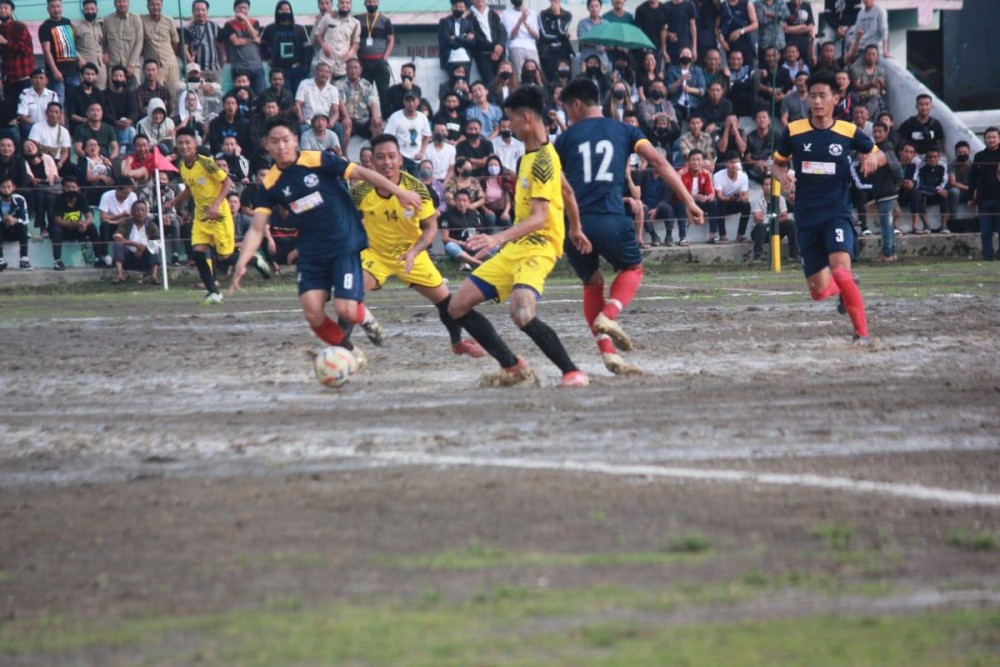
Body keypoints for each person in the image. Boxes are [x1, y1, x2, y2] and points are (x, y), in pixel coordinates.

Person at [229, 118, 423, 365]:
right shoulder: (270, 183)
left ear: (295, 141)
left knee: (346, 310)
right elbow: (257, 228)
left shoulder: (317, 159)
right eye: (275, 142)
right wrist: (243, 262)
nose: (281, 147)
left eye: (285, 140)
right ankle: (350, 353)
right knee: (312, 311)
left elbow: (361, 172)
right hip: (311, 250)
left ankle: (364, 317)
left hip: (344, 243)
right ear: (266, 145)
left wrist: (400, 192)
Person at [446, 85, 591, 388]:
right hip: (517, 246)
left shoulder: (543, 161)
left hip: (539, 247)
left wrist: (495, 239)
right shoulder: (531, 155)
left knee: (521, 312)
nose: (506, 127)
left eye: (510, 119)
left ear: (526, 119)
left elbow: (539, 219)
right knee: (457, 306)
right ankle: (511, 365)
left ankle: (572, 372)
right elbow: (566, 190)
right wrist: (576, 227)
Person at [557, 78, 701, 374]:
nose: (568, 116)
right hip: (610, 218)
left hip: (575, 225)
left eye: (567, 110)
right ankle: (610, 314)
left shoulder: (565, 138)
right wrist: (688, 200)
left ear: (576, 105)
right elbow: (660, 163)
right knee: (633, 268)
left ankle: (608, 354)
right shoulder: (625, 130)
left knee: (592, 282)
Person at [771, 70, 884, 345]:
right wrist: (781, 176)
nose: (817, 101)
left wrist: (872, 160)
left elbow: (879, 153)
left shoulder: (848, 131)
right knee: (819, 291)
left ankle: (862, 334)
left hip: (837, 214)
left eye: (823, 96)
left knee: (840, 270)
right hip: (806, 218)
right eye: (813, 96)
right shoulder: (794, 131)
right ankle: (848, 288)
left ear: (836, 98)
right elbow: (776, 163)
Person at [348, 133, 486, 357]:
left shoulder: (417, 189)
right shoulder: (361, 192)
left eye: (392, 156)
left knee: (447, 304)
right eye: (380, 157)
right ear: (371, 161)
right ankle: (343, 347)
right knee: (350, 295)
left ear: (401, 160)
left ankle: (457, 342)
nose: (387, 162)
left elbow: (431, 227)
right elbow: (345, 219)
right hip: (376, 256)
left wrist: (414, 251)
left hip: (413, 255)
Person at [164, 127, 234, 303]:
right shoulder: (182, 166)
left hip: (218, 213)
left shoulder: (206, 162)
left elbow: (227, 181)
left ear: (195, 144)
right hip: (201, 215)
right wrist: (174, 202)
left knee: (225, 258)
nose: (184, 146)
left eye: (187, 142)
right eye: (180, 143)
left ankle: (253, 258)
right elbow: (190, 188)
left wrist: (217, 204)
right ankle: (214, 292)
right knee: (198, 254)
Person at [49, 175, 102, 270]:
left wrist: (85, 224)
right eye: (68, 187)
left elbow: (89, 216)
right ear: (63, 188)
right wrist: (75, 224)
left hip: (77, 229)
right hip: (63, 230)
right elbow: (57, 220)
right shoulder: (58, 199)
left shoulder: (81, 198)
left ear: (78, 188)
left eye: (73, 187)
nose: (71, 190)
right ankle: (57, 261)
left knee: (92, 227)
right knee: (56, 230)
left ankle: (99, 258)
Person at [261, 1, 310, 94]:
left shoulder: (299, 28)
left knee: (299, 95)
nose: (284, 12)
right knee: (286, 95)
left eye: (287, 9)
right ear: (277, 11)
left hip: (297, 69)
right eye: (281, 9)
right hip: (279, 70)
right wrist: (267, 58)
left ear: (290, 11)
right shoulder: (270, 28)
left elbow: (307, 48)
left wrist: (305, 67)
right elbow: (262, 44)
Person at [0, 0, 36, 124]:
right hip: (8, 78)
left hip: (23, 76)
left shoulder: (19, 27)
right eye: (1, 8)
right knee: (11, 116)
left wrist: (5, 42)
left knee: (25, 113)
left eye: (6, 8)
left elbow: (26, 49)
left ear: (12, 10)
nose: (3, 10)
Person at [38, 0, 79, 103]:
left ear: (62, 7)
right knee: (58, 101)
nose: (56, 9)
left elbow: (71, 44)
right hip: (57, 72)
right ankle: (60, 120)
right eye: (53, 7)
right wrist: (55, 70)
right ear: (48, 9)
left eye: (58, 6)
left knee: (74, 100)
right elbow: (46, 51)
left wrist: (80, 59)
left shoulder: (67, 22)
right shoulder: (45, 27)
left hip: (73, 70)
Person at [220, 0, 265, 95]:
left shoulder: (254, 22)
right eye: (240, 7)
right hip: (239, 67)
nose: (243, 10)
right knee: (241, 95)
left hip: (257, 66)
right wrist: (253, 41)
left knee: (260, 95)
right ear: (234, 9)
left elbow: (253, 34)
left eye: (245, 8)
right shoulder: (229, 25)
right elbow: (236, 42)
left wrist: (246, 20)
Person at [749, 174, 798, 260]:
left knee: (791, 223)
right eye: (766, 184)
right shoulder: (756, 201)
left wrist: (768, 218)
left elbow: (785, 216)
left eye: (770, 184)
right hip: (760, 232)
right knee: (761, 226)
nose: (768, 187)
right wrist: (776, 218)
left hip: (775, 229)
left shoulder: (781, 199)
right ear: (762, 186)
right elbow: (758, 219)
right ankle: (758, 256)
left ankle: (794, 254)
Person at [356, 0, 394, 110]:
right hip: (363, 62)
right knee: (363, 93)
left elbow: (391, 39)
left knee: (384, 93)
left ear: (378, 3)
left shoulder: (385, 20)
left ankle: (385, 119)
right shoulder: (358, 19)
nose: (371, 4)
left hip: (379, 61)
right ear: (364, 4)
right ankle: (366, 121)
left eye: (374, 2)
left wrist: (385, 57)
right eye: (368, 2)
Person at [111, 199, 160, 283]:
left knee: (154, 248)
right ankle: (119, 275)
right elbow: (117, 237)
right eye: (137, 210)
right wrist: (135, 244)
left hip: (145, 258)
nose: (140, 213)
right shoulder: (126, 223)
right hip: (128, 257)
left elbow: (156, 243)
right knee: (118, 245)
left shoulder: (151, 225)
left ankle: (154, 276)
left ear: (146, 212)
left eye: (142, 210)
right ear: (132, 212)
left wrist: (143, 248)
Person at [970, 127, 1000, 261]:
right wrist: (971, 196)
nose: (991, 140)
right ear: (985, 139)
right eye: (989, 137)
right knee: (985, 231)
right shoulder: (979, 156)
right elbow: (973, 178)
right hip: (984, 199)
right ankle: (987, 256)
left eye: (994, 137)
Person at [440, 188, 486, 270]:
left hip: (472, 245)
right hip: (457, 247)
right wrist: (461, 243)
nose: (462, 203)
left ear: (469, 201)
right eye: (459, 200)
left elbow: (478, 233)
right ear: (455, 201)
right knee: (449, 246)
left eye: (464, 200)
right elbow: (445, 238)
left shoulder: (475, 214)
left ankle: (467, 262)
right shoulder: (447, 215)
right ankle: (477, 262)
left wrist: (473, 242)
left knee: (495, 244)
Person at [22, 139, 59, 237]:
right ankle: (42, 227)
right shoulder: (23, 161)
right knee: (40, 198)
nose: (29, 147)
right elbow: (27, 176)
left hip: (49, 187)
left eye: (31, 144)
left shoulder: (47, 158)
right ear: (24, 150)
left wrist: (51, 177)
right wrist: (32, 179)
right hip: (35, 189)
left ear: (36, 146)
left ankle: (52, 225)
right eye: (26, 146)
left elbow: (55, 173)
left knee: (50, 198)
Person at [384, 93, 431, 167]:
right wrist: (395, 153)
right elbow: (387, 137)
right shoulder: (395, 117)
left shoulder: (422, 118)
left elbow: (427, 136)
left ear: (418, 102)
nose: (411, 104)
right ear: (404, 102)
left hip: (416, 158)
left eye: (413, 101)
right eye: (408, 101)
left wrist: (421, 152)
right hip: (400, 157)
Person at [141, 0, 180, 91]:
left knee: (174, 95)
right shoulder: (141, 20)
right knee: (156, 96)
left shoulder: (169, 20)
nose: (155, 7)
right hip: (153, 67)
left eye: (158, 4)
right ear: (147, 6)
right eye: (152, 5)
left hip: (171, 64)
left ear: (162, 5)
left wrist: (169, 54)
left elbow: (175, 41)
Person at [713, 150, 751, 242]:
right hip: (723, 202)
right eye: (731, 162)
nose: (734, 165)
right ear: (726, 164)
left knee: (747, 206)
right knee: (720, 203)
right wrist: (729, 198)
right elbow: (719, 196)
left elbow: (745, 196)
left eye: (737, 162)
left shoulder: (743, 176)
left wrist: (742, 198)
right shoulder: (718, 175)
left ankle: (740, 235)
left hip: (735, 202)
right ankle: (723, 235)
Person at [104, 0, 144, 88]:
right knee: (114, 93)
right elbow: (104, 42)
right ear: (114, 3)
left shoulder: (136, 19)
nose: (122, 4)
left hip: (132, 66)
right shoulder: (107, 20)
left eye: (124, 1)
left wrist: (131, 64)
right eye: (119, 2)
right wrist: (105, 52)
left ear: (128, 2)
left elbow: (139, 43)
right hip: (113, 64)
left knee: (133, 93)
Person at [909, 144, 948, 235]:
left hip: (937, 192)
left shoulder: (942, 166)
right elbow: (919, 184)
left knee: (945, 194)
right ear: (926, 157)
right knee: (919, 194)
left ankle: (944, 225)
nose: (932, 159)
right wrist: (935, 190)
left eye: (935, 157)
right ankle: (926, 225)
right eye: (930, 157)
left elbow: (945, 181)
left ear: (939, 157)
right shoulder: (921, 166)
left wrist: (939, 190)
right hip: (926, 192)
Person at [467, 0, 506, 87]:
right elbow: (476, 39)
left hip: (499, 53)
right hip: (483, 55)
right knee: (490, 84)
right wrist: (493, 48)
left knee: (503, 82)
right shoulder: (468, 19)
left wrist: (500, 45)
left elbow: (502, 32)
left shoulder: (493, 14)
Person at [184, 0, 222, 84]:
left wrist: (223, 59)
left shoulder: (214, 26)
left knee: (217, 94)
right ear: (193, 12)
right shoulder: (188, 29)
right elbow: (184, 49)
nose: (200, 12)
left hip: (214, 70)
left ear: (207, 11)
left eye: (203, 10)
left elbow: (220, 45)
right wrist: (193, 65)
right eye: (197, 10)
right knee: (199, 94)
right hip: (197, 72)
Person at [28, 101, 72, 172]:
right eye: (51, 111)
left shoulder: (64, 131)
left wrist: (61, 162)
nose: (54, 114)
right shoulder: (37, 127)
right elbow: (33, 146)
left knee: (72, 168)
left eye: (57, 112)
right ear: (46, 112)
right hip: (40, 160)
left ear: (60, 114)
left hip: (56, 161)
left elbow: (65, 151)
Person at [17, 70, 59, 141]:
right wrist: (38, 126)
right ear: (31, 80)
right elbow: (22, 116)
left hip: (48, 126)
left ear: (46, 80)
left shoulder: (52, 95)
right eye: (35, 78)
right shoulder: (25, 94)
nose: (38, 80)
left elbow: (57, 113)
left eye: (41, 78)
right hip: (31, 126)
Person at [537, 0, 573, 82]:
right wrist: (562, 36)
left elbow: (561, 30)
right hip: (547, 52)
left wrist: (557, 15)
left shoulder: (567, 15)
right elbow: (544, 35)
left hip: (563, 51)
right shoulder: (542, 14)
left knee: (566, 77)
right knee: (551, 79)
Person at [0, 176, 31, 270]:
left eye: (9, 186)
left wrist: (15, 220)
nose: (6, 189)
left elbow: (25, 218)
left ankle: (24, 260)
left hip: (16, 230)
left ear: (13, 187)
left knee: (23, 227)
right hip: (2, 231)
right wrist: (6, 220)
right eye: (3, 187)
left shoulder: (20, 199)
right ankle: (0, 259)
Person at [438, 0, 475, 78]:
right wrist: (465, 39)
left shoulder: (468, 23)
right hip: (451, 59)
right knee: (453, 85)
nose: (458, 9)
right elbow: (446, 41)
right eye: (456, 7)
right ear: (452, 8)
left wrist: (456, 38)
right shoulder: (444, 22)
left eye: (461, 7)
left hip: (466, 59)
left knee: (466, 85)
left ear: (465, 9)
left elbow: (472, 43)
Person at [502, 0, 539, 76]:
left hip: (531, 47)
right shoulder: (506, 13)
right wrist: (520, 20)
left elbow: (536, 36)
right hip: (515, 46)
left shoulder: (532, 12)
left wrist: (525, 21)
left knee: (535, 74)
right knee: (519, 76)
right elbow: (512, 36)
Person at [105, 65, 140, 148]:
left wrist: (129, 121)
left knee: (131, 130)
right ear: (111, 78)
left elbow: (134, 111)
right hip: (111, 126)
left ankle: (124, 150)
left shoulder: (129, 94)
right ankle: (123, 149)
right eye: (115, 76)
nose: (118, 79)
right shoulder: (105, 94)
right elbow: (105, 113)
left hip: (127, 125)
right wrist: (116, 122)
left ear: (124, 78)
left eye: (121, 76)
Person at [98, 177, 136, 246]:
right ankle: (104, 254)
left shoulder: (133, 196)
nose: (127, 196)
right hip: (111, 227)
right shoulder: (106, 196)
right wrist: (121, 215)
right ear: (117, 189)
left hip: (125, 226)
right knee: (104, 225)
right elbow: (102, 217)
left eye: (128, 193)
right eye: (125, 193)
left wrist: (115, 221)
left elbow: (133, 217)